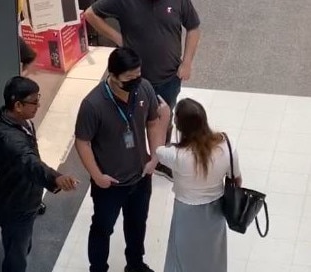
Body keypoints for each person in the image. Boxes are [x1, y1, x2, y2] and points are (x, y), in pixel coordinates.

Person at [74, 47, 170, 272]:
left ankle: (135, 264)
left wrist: (155, 157)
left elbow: (153, 122)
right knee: (102, 227)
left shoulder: (144, 88)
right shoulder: (93, 104)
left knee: (137, 225)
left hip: (140, 176)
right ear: (113, 75)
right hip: (110, 183)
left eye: (138, 75)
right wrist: (98, 176)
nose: (135, 81)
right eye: (129, 78)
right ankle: (98, 268)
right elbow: (83, 142)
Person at [84, 0, 201, 180]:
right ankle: (134, 158)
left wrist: (187, 63)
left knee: (163, 118)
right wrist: (119, 39)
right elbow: (90, 14)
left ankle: (161, 159)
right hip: (134, 81)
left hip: (168, 78)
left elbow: (193, 27)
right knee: (131, 120)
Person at [0, 76, 78, 272]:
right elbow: (29, 161)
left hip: (25, 196)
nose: (38, 105)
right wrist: (56, 178)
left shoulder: (21, 121)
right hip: (16, 204)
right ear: (18, 105)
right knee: (17, 253)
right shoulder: (8, 137)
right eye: (34, 102)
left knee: (22, 245)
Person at [155, 98, 242, 272]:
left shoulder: (177, 156)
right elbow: (237, 179)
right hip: (216, 211)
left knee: (181, 256)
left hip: (186, 213)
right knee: (213, 256)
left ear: (180, 127)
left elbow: (157, 149)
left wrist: (164, 118)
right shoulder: (226, 146)